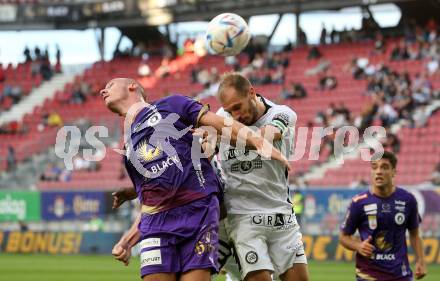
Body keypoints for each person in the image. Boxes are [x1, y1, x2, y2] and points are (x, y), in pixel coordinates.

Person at [100, 78, 289, 281]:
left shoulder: (170, 105)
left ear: (132, 86)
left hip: (198, 213)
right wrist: (128, 241)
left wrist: (258, 142)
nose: (103, 90)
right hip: (157, 224)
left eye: (109, 85)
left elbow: (221, 124)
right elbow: (151, 201)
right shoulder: (129, 149)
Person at [213, 72, 309, 281]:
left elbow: (265, 135)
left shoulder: (282, 113)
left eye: (238, 107)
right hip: (242, 218)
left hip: (282, 215)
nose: (235, 116)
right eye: (230, 111)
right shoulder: (223, 117)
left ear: (252, 93)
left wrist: (220, 132)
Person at [339, 151, 427, 281]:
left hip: (401, 275)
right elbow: (344, 237)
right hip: (368, 275)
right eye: (375, 167)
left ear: (393, 172)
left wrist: (421, 261)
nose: (378, 171)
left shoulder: (408, 200)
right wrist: (358, 246)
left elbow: (414, 234)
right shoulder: (358, 202)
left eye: (384, 167)